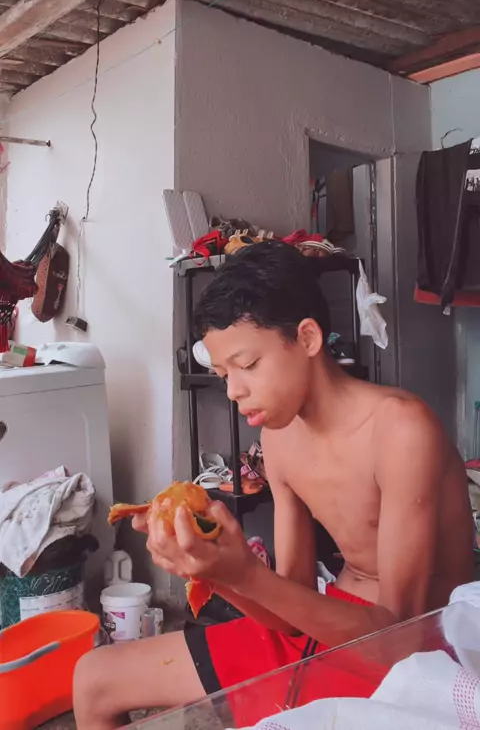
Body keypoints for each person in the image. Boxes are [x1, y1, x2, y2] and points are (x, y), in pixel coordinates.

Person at [74, 242, 473, 730]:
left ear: (307, 338)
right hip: (324, 621)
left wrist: (245, 574)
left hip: (413, 650)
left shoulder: (400, 430)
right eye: (223, 374)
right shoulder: (280, 439)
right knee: (93, 677)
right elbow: (289, 608)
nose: (233, 391)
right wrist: (216, 569)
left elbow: (397, 639)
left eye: (248, 365)